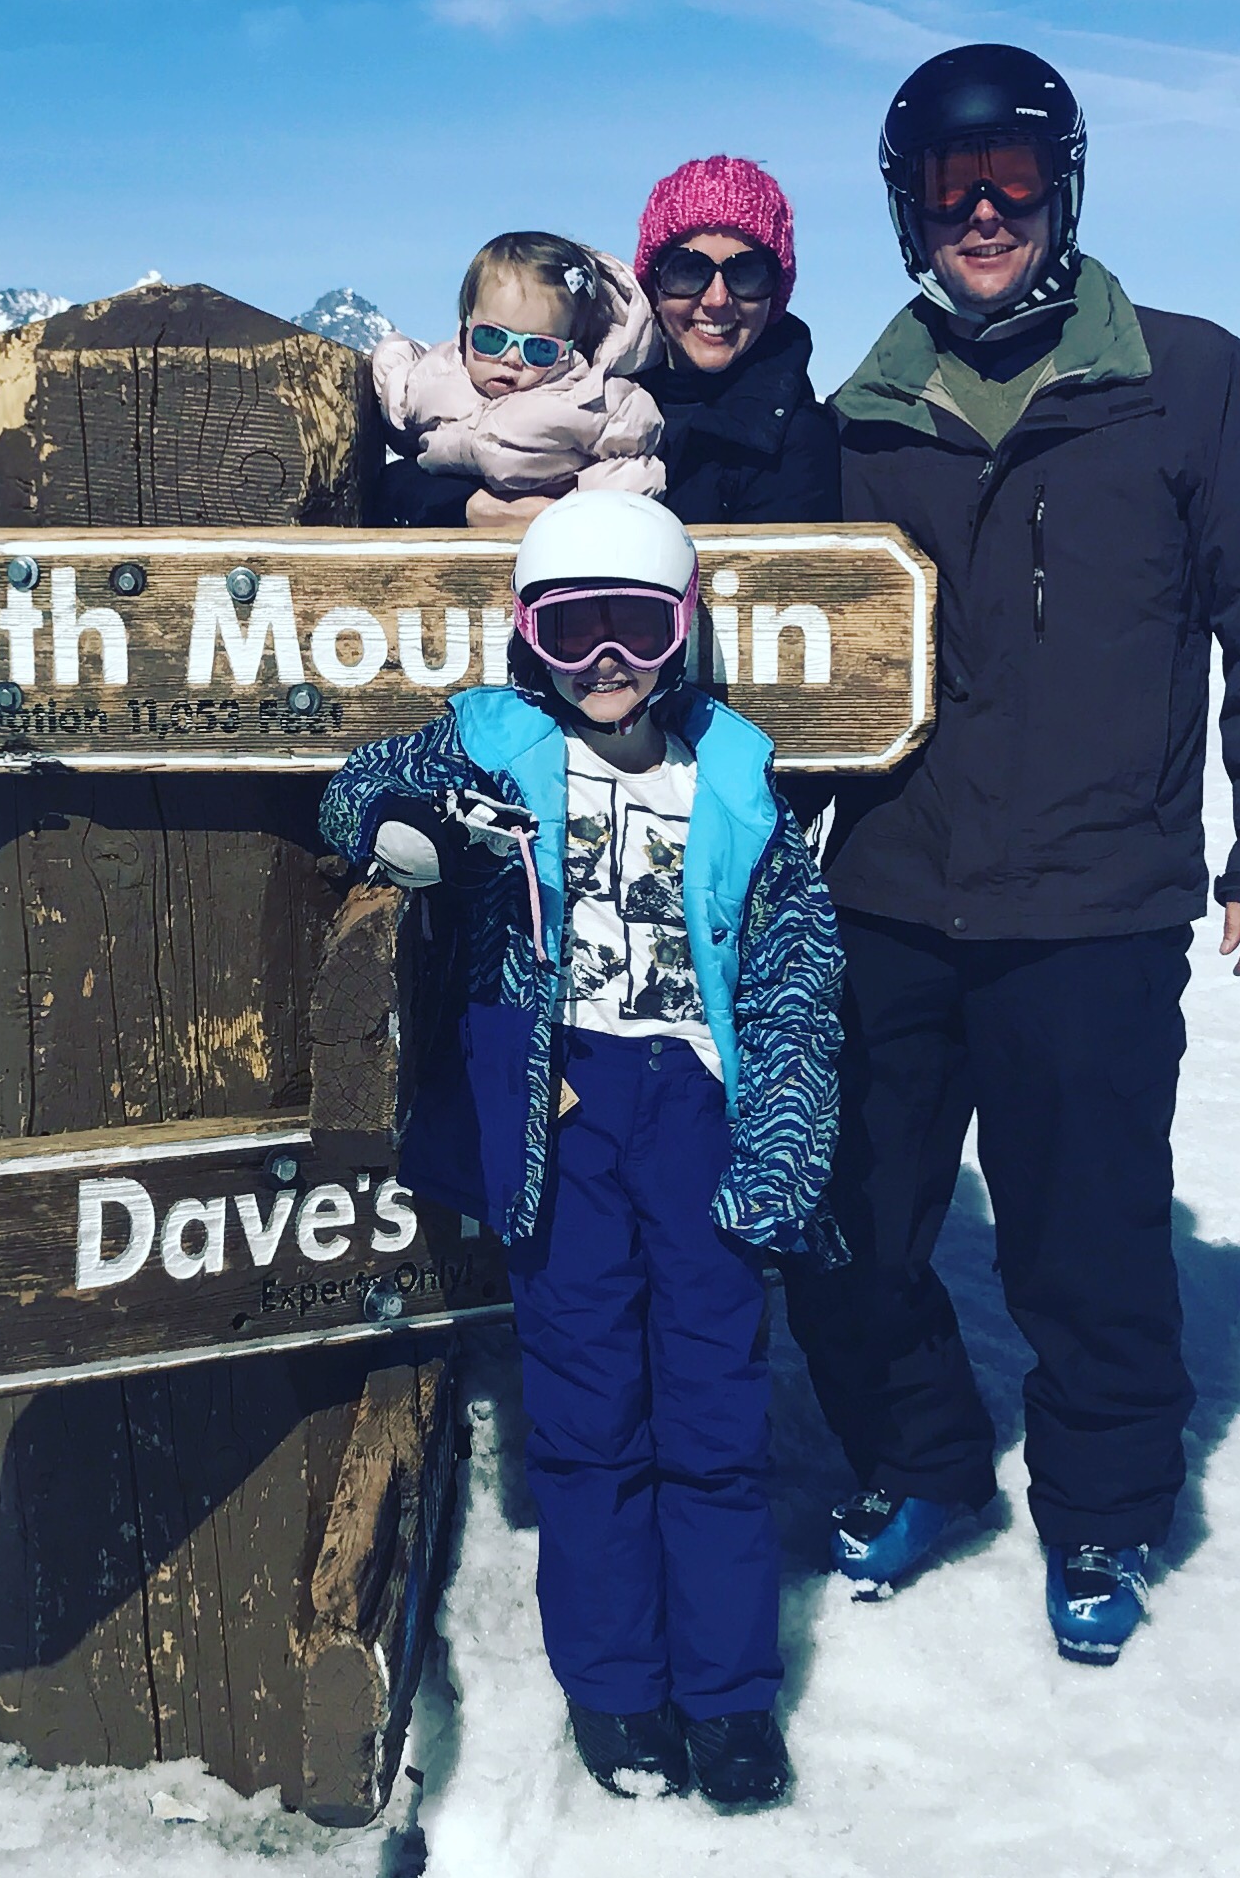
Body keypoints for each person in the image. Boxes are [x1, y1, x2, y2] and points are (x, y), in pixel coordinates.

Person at [785, 43, 1240, 1664]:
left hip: (1096, 898)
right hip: (889, 888)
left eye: (1013, 180)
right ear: (908, 208)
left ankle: (1100, 1512)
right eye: (949, 186)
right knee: (841, 1216)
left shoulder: (1187, 379)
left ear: (1064, 190)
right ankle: (923, 1462)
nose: (984, 212)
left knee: (1084, 1241)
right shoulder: (858, 417)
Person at [318, 490, 845, 1808]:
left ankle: (727, 1695)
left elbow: (794, 972)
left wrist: (779, 1144)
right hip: (561, 1107)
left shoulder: (735, 773)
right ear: (527, 637)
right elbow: (354, 792)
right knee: (587, 1408)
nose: (605, 662)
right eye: (571, 632)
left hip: (699, 1107)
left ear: (683, 632)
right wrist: (411, 826)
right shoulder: (494, 743)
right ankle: (614, 1687)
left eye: (635, 630)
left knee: (714, 1412)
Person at [370, 233, 662, 532]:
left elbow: (634, 466)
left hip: (556, 536)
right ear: (466, 328)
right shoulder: (439, 376)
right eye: (492, 337)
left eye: (539, 348)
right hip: (458, 539)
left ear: (570, 350)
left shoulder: (585, 398)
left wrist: (575, 509)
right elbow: (400, 401)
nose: (511, 358)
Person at [630, 155, 842, 527]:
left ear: (774, 295)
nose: (717, 300)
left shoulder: (799, 441)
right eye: (687, 271)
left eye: (746, 273)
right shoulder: (591, 401)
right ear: (654, 286)